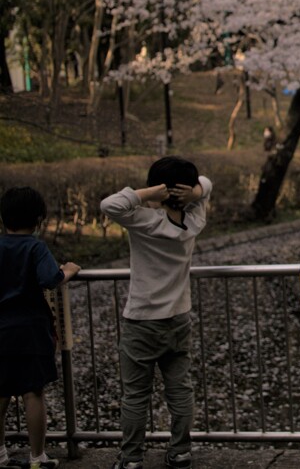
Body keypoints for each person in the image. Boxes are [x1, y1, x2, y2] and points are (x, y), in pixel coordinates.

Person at [100, 157, 212, 469]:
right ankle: (180, 451)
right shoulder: (193, 222)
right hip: (178, 318)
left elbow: (109, 204)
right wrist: (195, 192)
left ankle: (132, 458)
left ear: (160, 188)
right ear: (188, 191)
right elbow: (207, 183)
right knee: (179, 388)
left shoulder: (145, 220)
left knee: (135, 394)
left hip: (141, 320)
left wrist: (148, 193)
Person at [0, 187, 80, 469]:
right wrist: (69, 270)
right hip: (30, 331)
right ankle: (37, 458)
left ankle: (0, 456)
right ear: (39, 219)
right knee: (32, 392)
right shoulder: (35, 247)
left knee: (0, 392)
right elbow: (50, 278)